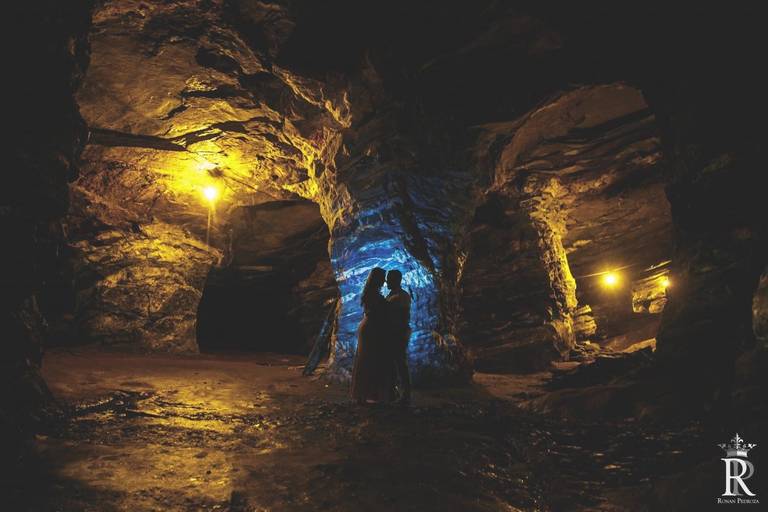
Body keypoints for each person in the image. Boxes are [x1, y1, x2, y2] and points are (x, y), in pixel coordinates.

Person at [351, 267, 395, 404]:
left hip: (369, 326)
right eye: (383, 278)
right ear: (378, 279)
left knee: (366, 359)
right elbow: (376, 312)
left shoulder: (370, 293)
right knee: (368, 360)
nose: (384, 281)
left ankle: (363, 394)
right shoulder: (374, 295)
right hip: (371, 328)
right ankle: (364, 395)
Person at [386, 269, 412, 405]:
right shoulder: (394, 294)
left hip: (398, 333)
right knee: (395, 363)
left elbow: (404, 317)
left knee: (400, 363)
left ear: (396, 280)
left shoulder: (402, 296)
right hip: (393, 333)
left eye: (389, 279)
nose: (387, 281)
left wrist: (401, 333)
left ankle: (405, 394)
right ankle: (396, 392)